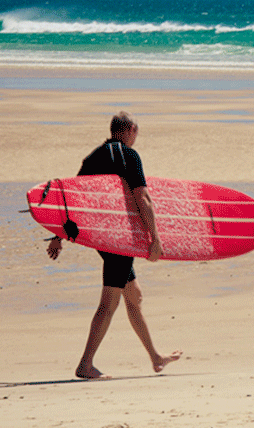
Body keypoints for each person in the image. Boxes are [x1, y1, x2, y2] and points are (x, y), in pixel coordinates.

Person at [47, 111, 182, 379]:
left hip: (104, 237)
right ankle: (85, 364)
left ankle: (155, 358)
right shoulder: (129, 156)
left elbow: (73, 199)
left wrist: (58, 236)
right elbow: (143, 198)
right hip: (123, 239)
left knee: (135, 296)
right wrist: (155, 239)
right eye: (137, 130)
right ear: (131, 129)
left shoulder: (93, 157)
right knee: (109, 302)